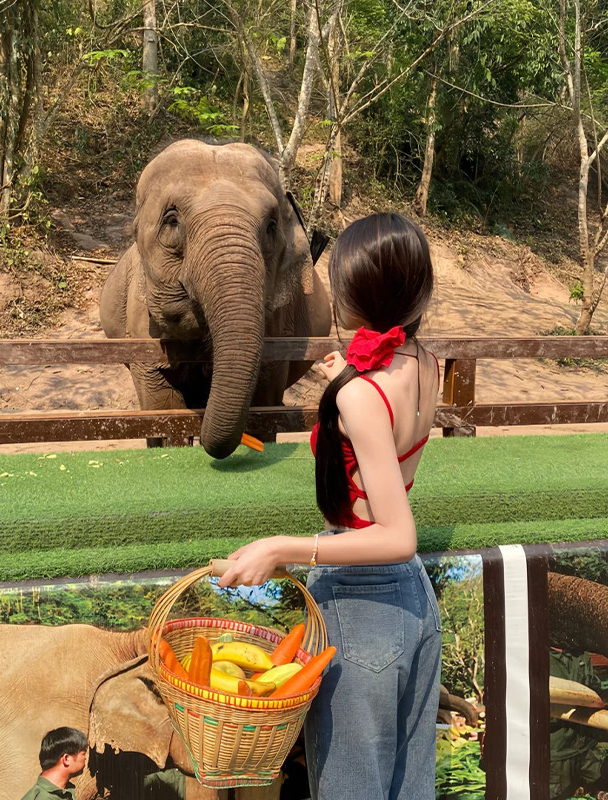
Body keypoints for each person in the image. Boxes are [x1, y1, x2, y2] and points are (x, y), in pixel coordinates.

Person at [218, 212, 442, 800]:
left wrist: (282, 547)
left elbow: (397, 533)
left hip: (362, 603)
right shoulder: (423, 361)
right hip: (414, 599)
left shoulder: (364, 398)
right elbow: (389, 430)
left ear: (357, 294)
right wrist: (350, 379)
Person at [20, 726, 89, 800]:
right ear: (66, 759)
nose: (85, 758)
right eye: (83, 754)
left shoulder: (65, 791)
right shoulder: (43, 798)